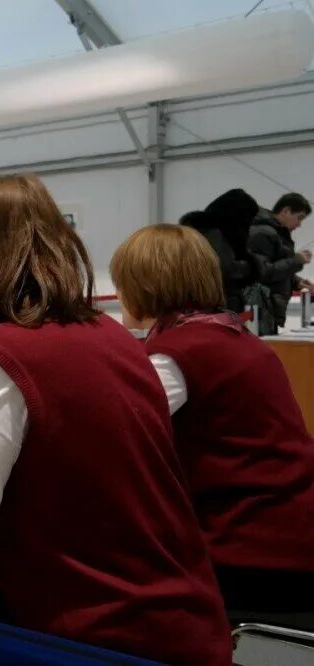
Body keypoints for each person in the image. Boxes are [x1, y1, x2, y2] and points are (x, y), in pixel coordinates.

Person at [0, 175, 230, 665]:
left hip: (102, 635)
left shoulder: (3, 356)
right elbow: (82, 462)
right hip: (182, 618)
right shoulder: (110, 335)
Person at [111, 223, 314, 620]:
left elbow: (110, 438)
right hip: (293, 531)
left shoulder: (175, 354)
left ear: (146, 286)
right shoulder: (231, 335)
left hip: (253, 552)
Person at [180, 188, 259, 313]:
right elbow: (223, 268)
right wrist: (250, 266)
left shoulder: (200, 230)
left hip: (207, 305)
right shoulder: (215, 233)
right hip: (216, 307)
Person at [249, 192, 313, 333]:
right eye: (299, 218)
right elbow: (262, 273)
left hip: (268, 310)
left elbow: (276, 268)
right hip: (260, 312)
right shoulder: (263, 233)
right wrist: (295, 261)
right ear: (286, 210)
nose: (299, 224)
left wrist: (296, 282)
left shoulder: (277, 234)